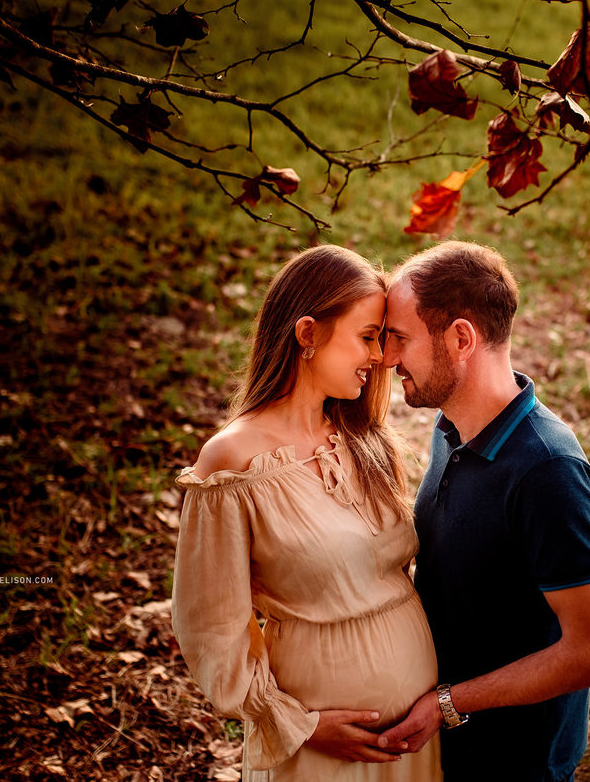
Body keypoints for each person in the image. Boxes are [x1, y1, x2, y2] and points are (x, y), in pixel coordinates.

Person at [171, 245, 441, 781]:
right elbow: (208, 628)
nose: (380, 358)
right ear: (308, 333)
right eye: (367, 337)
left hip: (413, 740)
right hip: (320, 747)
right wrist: (301, 724)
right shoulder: (232, 462)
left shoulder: (366, 440)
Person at [377, 241, 590, 782]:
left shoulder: (548, 471)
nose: (387, 358)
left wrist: (448, 701)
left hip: (514, 761)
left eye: (399, 338)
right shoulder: (452, 428)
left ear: (460, 338)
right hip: (447, 749)